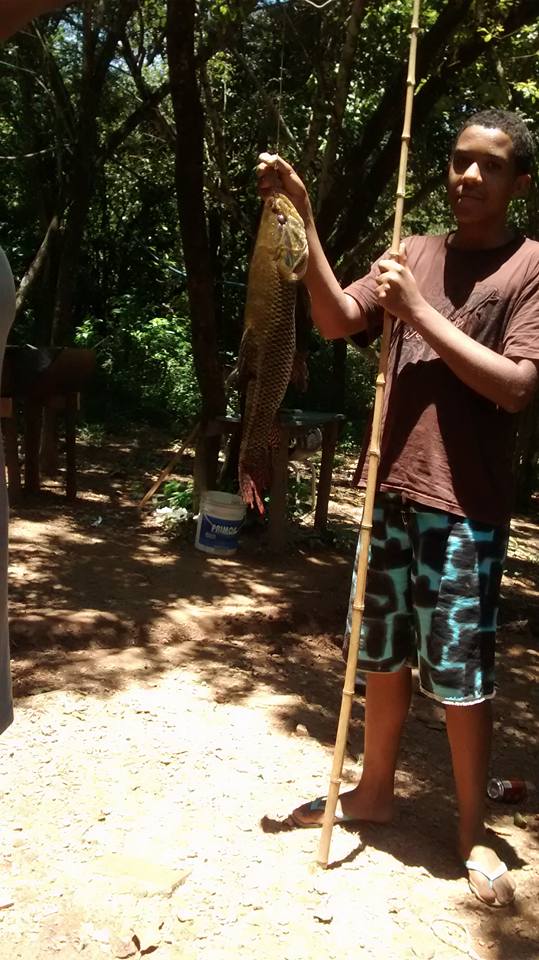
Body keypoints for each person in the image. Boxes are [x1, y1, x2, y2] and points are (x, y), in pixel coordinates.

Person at [256, 108, 538, 908]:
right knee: (377, 656)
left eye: (489, 166)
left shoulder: (529, 268)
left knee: (458, 676)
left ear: (519, 182)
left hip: (464, 508)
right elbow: (335, 318)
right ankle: (373, 792)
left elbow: (517, 387)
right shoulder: (411, 252)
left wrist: (417, 312)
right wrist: (304, 219)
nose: (468, 178)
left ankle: (470, 830)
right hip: (388, 493)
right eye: (457, 162)